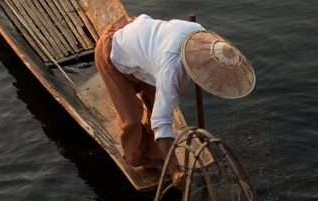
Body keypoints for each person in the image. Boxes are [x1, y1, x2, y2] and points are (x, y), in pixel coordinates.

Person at [94, 13, 256, 185]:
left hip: (144, 45)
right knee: (132, 119)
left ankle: (155, 157)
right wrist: (175, 171)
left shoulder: (199, 34)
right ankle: (140, 157)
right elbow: (161, 122)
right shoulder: (171, 70)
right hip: (113, 51)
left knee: (157, 101)